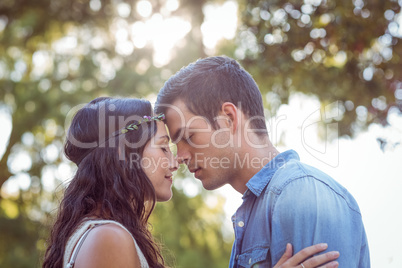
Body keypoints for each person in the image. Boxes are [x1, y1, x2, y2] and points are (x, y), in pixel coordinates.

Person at [43, 97, 339, 268]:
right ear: (123, 153)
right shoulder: (108, 237)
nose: (175, 162)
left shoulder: (107, 234)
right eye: (163, 147)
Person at [155, 56, 370, 267]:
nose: (179, 156)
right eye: (176, 144)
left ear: (229, 118)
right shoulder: (252, 217)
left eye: (189, 137)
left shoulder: (297, 192)